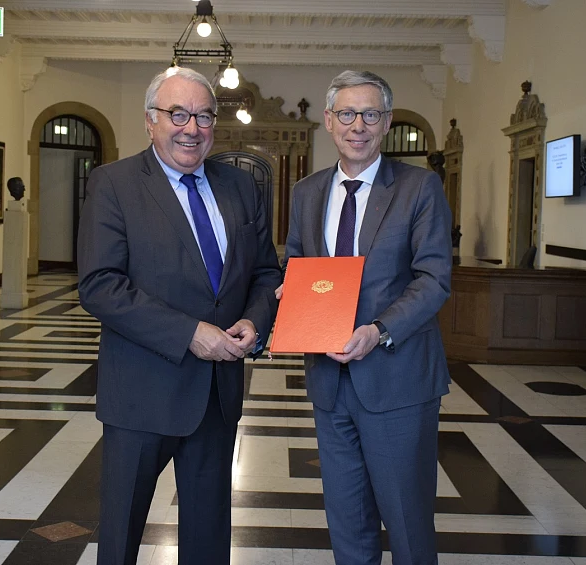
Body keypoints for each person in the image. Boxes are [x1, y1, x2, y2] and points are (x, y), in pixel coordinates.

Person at [77, 66, 281, 565]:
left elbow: (265, 272)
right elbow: (100, 286)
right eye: (178, 113)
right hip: (142, 394)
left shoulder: (239, 187)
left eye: (204, 116)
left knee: (209, 541)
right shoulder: (114, 184)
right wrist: (190, 334)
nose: (192, 127)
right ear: (151, 120)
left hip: (216, 395)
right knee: (121, 537)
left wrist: (255, 323)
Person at [280, 70, 451, 565]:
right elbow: (298, 264)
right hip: (330, 385)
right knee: (347, 519)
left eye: (371, 114)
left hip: (397, 381)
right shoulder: (308, 192)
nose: (359, 125)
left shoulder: (420, 187)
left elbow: (434, 278)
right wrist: (286, 293)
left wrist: (379, 331)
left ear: (387, 122)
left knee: (407, 519)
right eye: (348, 114)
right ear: (330, 122)